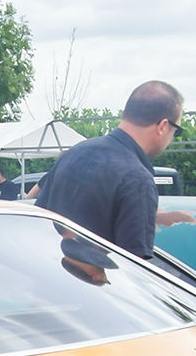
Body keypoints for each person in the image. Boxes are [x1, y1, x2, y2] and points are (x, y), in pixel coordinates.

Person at [35, 80, 184, 258]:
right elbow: (134, 269)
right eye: (177, 131)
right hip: (93, 283)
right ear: (163, 126)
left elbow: (37, 218)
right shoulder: (137, 180)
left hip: (46, 275)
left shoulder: (74, 153)